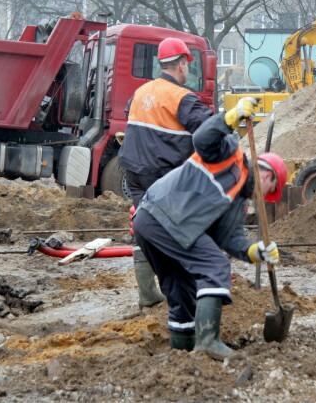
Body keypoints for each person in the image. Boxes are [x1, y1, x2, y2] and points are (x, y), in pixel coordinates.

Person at [132, 99, 288, 359]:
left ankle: (180, 354)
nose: (263, 200)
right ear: (268, 177)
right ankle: (208, 341)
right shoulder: (231, 153)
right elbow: (203, 138)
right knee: (214, 266)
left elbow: (230, 239)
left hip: (152, 222)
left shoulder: (237, 201)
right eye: (270, 193)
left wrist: (256, 251)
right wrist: (231, 117)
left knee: (180, 289)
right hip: (164, 215)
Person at [118, 37, 213, 308]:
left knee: (145, 229)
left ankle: (148, 294)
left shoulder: (142, 91)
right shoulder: (181, 97)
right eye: (188, 65)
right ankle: (185, 295)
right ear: (182, 64)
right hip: (162, 174)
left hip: (134, 173)